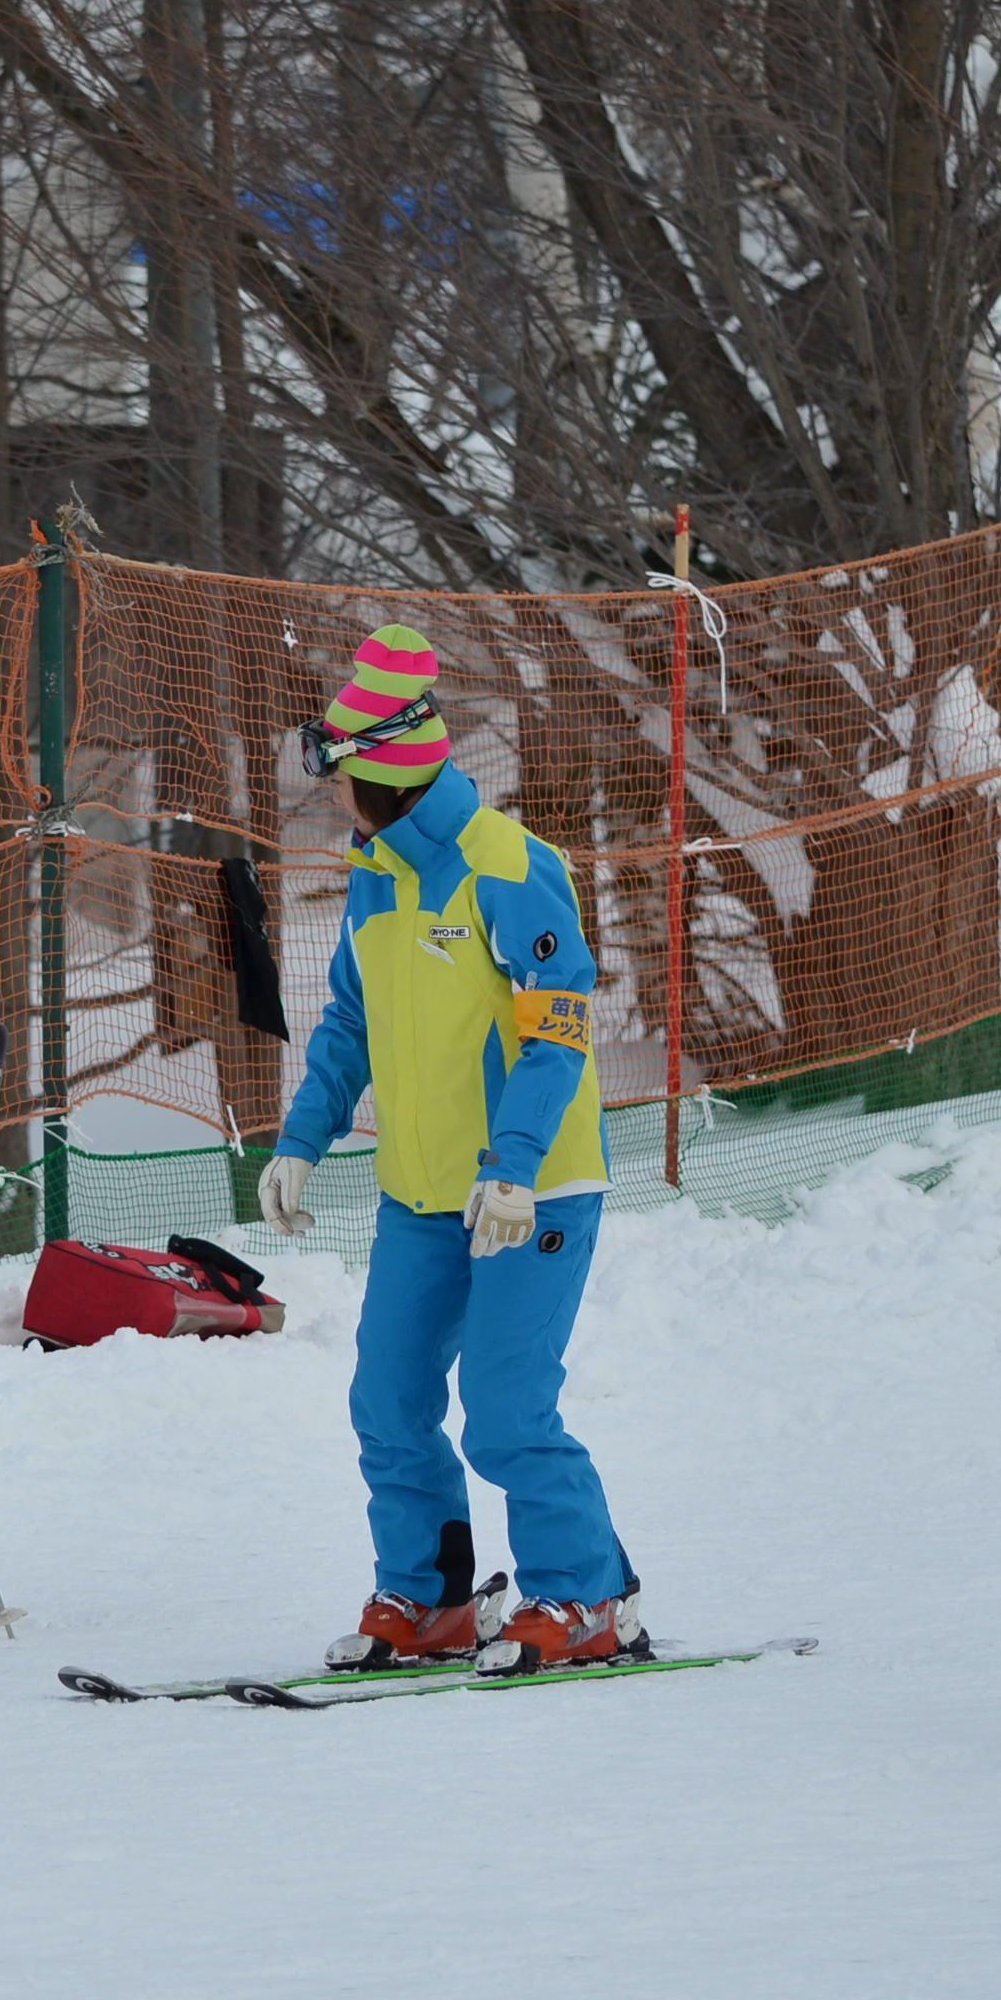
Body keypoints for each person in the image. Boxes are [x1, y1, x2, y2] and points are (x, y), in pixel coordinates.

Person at [254, 623, 638, 1678]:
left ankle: (587, 1595)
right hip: (422, 1194)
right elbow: (349, 1022)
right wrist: (302, 1141)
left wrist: (514, 1163)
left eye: (335, 768)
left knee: (508, 1413)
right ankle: (428, 1600)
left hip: (534, 1191)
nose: (329, 791)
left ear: (376, 769)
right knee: (388, 1403)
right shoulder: (375, 875)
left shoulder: (510, 865)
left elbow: (559, 1023)